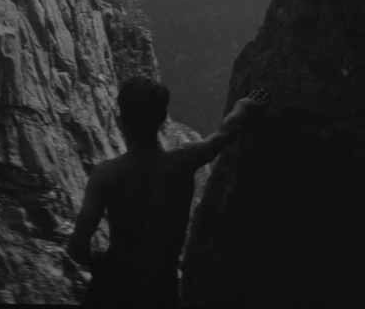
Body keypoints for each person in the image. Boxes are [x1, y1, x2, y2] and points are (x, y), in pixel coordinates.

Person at [66, 76, 270, 307]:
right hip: (162, 289)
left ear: (121, 118)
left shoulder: (105, 174)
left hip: (115, 284)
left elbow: (76, 249)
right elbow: (225, 133)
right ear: (162, 117)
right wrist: (244, 106)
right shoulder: (185, 161)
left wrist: (98, 260)